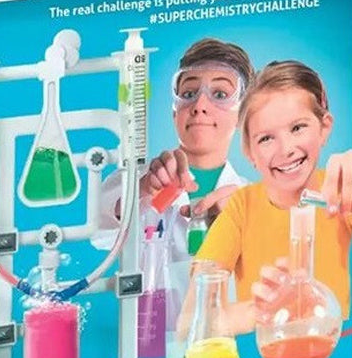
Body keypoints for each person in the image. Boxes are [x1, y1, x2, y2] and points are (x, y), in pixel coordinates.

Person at [194, 60, 352, 334]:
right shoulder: (241, 208)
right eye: (266, 139)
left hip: (337, 347)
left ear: (324, 127)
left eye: (298, 128)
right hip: (269, 350)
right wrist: (259, 310)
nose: (286, 149)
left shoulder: (343, 190)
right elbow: (192, 318)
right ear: (249, 152)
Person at [98, 37, 254, 264]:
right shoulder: (137, 180)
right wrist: (142, 189)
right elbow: (99, 234)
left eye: (220, 94)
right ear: (175, 113)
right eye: (189, 94)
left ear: (242, 116)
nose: (199, 106)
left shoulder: (250, 198)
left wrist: (241, 226)